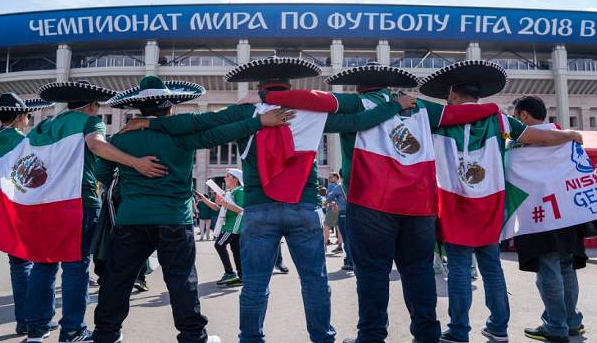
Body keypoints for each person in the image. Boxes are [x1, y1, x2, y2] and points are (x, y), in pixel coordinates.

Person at [121, 57, 417, 343]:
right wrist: (395, 104)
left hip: (258, 208)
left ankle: (250, 338)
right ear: (290, 87)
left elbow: (195, 123)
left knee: (255, 285)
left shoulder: (245, 112)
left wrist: (147, 124)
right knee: (314, 282)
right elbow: (361, 120)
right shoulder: (315, 112)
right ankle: (322, 338)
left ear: (260, 86)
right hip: (304, 206)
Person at [238, 61, 507, 343]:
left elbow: (311, 99)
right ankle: (427, 334)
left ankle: (372, 335)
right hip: (419, 203)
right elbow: (461, 114)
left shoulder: (356, 103)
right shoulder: (421, 106)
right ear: (388, 85)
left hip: (371, 201)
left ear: (360, 85)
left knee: (372, 273)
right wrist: (493, 108)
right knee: (418, 271)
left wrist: (267, 96)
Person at [92, 75, 293, 343]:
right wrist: (259, 122)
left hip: (131, 218)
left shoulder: (119, 140)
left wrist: (132, 174)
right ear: (171, 109)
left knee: (117, 280)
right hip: (175, 218)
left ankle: (106, 335)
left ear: (140, 110)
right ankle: (193, 336)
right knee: (181, 281)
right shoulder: (180, 137)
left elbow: (103, 174)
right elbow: (219, 132)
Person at [0, 81, 170, 343]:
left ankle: (37, 329)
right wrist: (135, 162)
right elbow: (97, 146)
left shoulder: (45, 125)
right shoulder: (90, 123)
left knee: (43, 265)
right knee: (76, 268)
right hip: (77, 202)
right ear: (92, 105)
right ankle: (72, 330)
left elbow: (19, 160)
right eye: (97, 106)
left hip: (43, 206)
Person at [418, 60, 583, 343]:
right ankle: (498, 328)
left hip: (453, 200)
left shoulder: (438, 118)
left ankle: (458, 330)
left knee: (458, 267)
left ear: (453, 95)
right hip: (490, 203)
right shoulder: (499, 119)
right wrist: (571, 134)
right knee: (491, 266)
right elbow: (540, 137)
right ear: (479, 97)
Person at [0, 94, 54, 335]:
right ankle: (25, 321)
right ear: (21, 116)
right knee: (20, 264)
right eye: (27, 116)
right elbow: (26, 178)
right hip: (11, 210)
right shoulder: (22, 142)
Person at [508, 95, 587, 343]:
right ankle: (572, 323)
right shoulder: (568, 140)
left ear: (523, 115)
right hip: (569, 214)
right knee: (567, 269)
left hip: (540, 217)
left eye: (514, 115)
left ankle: (555, 327)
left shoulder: (518, 147)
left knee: (549, 272)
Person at [197, 169, 246, 287]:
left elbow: (240, 210)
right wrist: (204, 199)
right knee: (236, 251)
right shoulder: (228, 191)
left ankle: (230, 273)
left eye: (228, 176)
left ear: (236, 179)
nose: (225, 178)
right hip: (230, 224)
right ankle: (241, 277)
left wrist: (223, 203)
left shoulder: (240, 191)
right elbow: (217, 207)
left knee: (219, 244)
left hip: (234, 225)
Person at [325, 169, 352, 270]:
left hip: (343, 214)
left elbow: (328, 199)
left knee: (347, 239)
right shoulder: (357, 185)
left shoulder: (338, 187)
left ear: (340, 177)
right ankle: (357, 261)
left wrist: (334, 203)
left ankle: (350, 261)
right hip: (357, 215)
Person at [324, 172, 341, 251]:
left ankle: (324, 245)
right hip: (340, 209)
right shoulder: (340, 185)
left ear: (335, 178)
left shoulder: (331, 186)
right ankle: (340, 246)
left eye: (330, 177)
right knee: (339, 228)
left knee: (326, 227)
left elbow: (329, 197)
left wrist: (330, 204)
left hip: (332, 208)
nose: (329, 179)